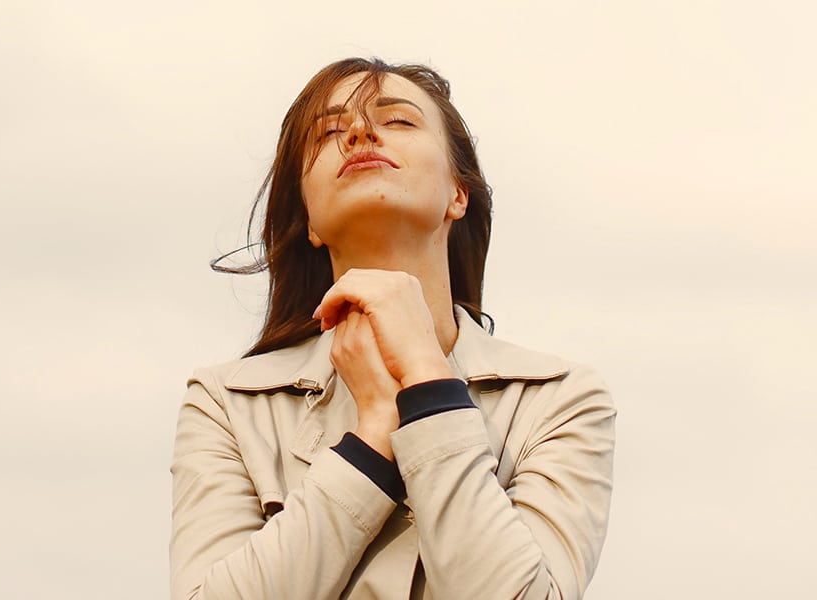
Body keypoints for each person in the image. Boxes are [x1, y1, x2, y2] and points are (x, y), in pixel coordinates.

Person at [170, 57, 616, 599]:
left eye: (399, 121)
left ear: (458, 194)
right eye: (331, 131)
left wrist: (428, 383)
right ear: (309, 219)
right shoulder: (226, 403)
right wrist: (375, 430)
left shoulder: (560, 399)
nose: (359, 132)